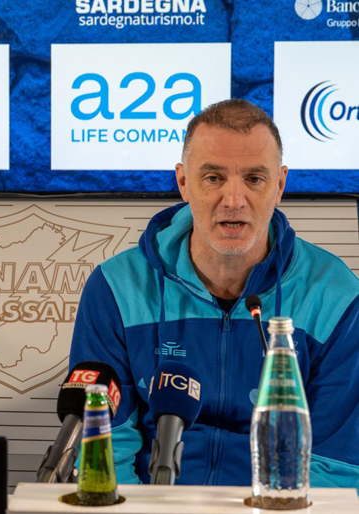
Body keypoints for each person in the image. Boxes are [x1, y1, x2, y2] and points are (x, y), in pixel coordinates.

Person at [69, 99, 359, 488]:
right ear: (184, 182)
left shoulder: (336, 296)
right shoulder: (117, 287)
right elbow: (104, 447)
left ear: (279, 185)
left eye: (254, 179)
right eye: (213, 178)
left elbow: (336, 466)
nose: (234, 200)